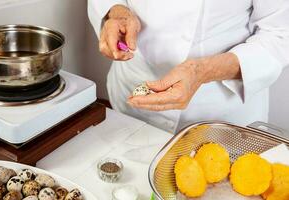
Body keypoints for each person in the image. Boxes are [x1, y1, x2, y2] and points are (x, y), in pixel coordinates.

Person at [88, 1, 289, 133]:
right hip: (132, 94)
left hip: (217, 111)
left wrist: (201, 71)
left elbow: (280, 34)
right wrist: (115, 13)